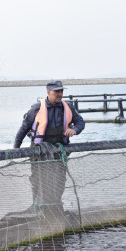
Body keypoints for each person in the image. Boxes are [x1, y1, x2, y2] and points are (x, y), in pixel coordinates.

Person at [13, 80, 85, 216]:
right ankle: (38, 207)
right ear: (48, 92)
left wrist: (75, 130)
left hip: (59, 149)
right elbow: (22, 130)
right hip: (38, 151)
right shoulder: (36, 108)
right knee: (38, 179)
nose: (59, 94)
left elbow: (80, 122)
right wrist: (15, 150)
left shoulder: (68, 106)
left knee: (59, 180)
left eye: (61, 91)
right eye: (56, 91)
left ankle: (55, 205)